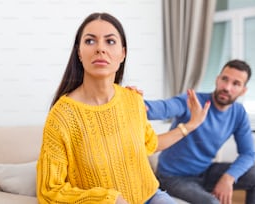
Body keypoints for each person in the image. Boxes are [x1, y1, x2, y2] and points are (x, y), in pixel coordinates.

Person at [36, 12, 210, 204]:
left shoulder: (132, 100)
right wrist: (109, 199)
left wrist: (192, 124)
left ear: (122, 54)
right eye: (90, 41)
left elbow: (149, 145)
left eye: (110, 41)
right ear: (79, 52)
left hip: (151, 196)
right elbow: (49, 190)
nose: (100, 48)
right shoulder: (62, 116)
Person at [145, 59, 255, 204]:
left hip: (205, 171)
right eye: (225, 79)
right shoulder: (193, 101)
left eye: (236, 84)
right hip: (172, 177)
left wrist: (228, 177)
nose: (227, 87)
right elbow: (163, 108)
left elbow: (248, 154)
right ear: (217, 79)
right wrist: (132, 101)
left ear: (243, 90)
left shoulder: (238, 113)